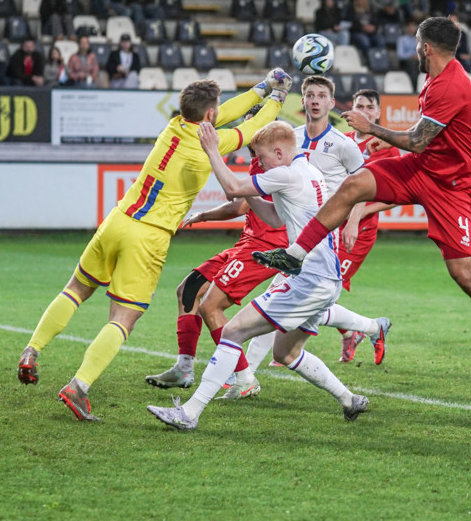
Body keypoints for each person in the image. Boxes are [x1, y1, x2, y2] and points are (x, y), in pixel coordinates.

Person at [252, 17, 471, 380]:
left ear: (427, 48)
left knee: (464, 274)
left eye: (418, 42)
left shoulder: (451, 84)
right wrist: (387, 139)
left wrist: (372, 128)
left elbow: (419, 138)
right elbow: (424, 144)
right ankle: (296, 255)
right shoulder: (438, 73)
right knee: (354, 185)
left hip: (450, 187)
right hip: (419, 168)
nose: (414, 47)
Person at [17, 71, 290, 419]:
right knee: (123, 319)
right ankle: (79, 387)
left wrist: (262, 88)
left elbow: (223, 112)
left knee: (75, 290)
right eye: (215, 110)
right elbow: (250, 130)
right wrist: (277, 99)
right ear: (209, 115)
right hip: (147, 237)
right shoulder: (208, 144)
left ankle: (32, 349)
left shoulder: (174, 126)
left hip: (117, 220)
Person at [147, 121, 380, 430]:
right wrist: (255, 194)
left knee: (231, 332)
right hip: (323, 278)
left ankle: (189, 413)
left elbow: (232, 188)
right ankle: (349, 400)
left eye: (262, 156)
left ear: (279, 152)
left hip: (307, 280)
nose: (259, 165)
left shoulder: (286, 174)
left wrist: (213, 150)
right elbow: (273, 217)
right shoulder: (310, 174)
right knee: (286, 352)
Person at [143, 105, 287, 397]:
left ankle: (244, 377)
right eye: (248, 126)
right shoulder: (258, 162)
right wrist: (204, 216)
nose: (248, 134)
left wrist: (213, 154)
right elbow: (241, 204)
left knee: (211, 305)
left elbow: (236, 194)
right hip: (247, 244)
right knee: (188, 289)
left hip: (266, 249)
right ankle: (184, 367)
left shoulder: (276, 164)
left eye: (254, 126)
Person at [335, 89, 401, 361]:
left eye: (369, 106)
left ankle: (365, 329)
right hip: (332, 223)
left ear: (378, 113)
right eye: (358, 105)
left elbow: (396, 196)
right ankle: (353, 332)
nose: (362, 109)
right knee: (316, 284)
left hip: (359, 231)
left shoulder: (387, 146)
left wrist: (360, 214)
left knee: (327, 286)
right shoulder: (342, 141)